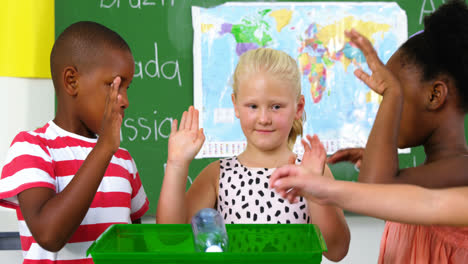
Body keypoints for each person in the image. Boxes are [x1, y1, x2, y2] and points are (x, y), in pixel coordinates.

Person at [271, 0, 468, 263]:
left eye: (394, 100)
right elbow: (388, 186)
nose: (387, 112)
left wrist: (392, 93)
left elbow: (377, 187)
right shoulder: (429, 175)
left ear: (434, 95)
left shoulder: (463, 169)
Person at [156, 48, 350, 261]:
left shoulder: (310, 172)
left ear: (298, 107)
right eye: (253, 106)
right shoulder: (218, 175)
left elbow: (336, 251)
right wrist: (176, 165)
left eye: (276, 106)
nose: (264, 118)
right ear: (236, 105)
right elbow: (170, 240)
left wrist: (315, 189)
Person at [0, 21, 149, 263]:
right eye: (115, 86)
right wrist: (103, 150)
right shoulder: (31, 148)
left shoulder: (123, 160)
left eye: (127, 88)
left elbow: (135, 244)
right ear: (71, 81)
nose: (124, 101)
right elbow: (49, 235)